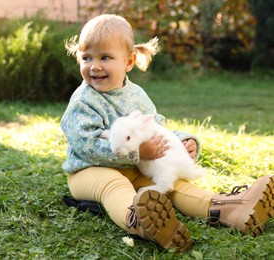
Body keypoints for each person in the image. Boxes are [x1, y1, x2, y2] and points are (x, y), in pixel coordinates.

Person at [60, 14, 274, 252]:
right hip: (90, 171)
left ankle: (229, 208)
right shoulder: (83, 101)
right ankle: (139, 220)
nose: (95, 66)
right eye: (86, 57)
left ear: (129, 62)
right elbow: (85, 145)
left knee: (173, 185)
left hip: (137, 168)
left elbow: (157, 126)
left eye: (105, 57)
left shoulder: (136, 94)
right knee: (114, 185)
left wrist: (183, 140)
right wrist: (138, 152)